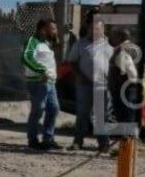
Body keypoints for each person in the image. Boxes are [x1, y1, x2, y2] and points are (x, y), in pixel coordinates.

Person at [65, 19, 113, 152]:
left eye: (98, 28)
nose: (95, 31)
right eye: (92, 28)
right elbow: (72, 62)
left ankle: (104, 144)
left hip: (102, 84)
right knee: (82, 114)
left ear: (103, 29)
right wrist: (79, 76)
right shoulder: (80, 44)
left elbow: (115, 63)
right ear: (88, 29)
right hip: (84, 84)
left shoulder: (109, 45)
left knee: (102, 115)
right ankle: (78, 142)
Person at [22, 19, 60, 150]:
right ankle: (32, 139)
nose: (55, 31)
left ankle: (48, 139)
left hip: (50, 82)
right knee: (38, 110)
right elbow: (26, 58)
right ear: (43, 29)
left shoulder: (46, 43)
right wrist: (41, 70)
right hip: (38, 81)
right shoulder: (32, 41)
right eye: (53, 29)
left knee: (54, 109)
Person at [107, 28, 142, 133]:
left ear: (120, 37)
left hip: (123, 87)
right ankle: (127, 141)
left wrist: (128, 80)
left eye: (113, 36)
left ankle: (127, 141)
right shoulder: (131, 47)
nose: (111, 38)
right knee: (127, 114)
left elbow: (130, 70)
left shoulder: (122, 49)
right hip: (127, 87)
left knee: (124, 114)